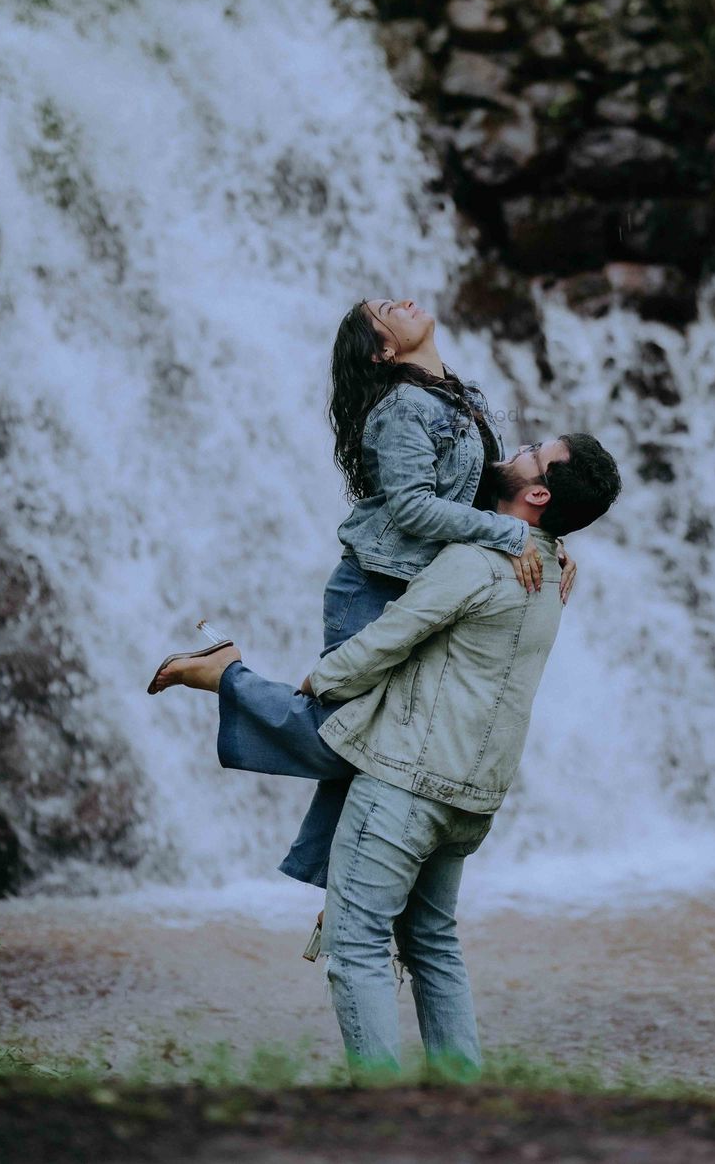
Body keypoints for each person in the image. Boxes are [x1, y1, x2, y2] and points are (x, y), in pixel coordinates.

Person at [148, 432, 621, 1080]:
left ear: (537, 492)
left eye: (533, 452)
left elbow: (393, 636)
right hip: (472, 799)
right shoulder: (549, 573)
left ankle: (383, 1114)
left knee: (356, 943)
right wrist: (557, 540)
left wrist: (323, 680)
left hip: (409, 785)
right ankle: (463, 1103)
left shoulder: (477, 560)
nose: (518, 448)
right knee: (431, 944)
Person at [149, 297, 576, 893]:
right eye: (384, 312)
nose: (400, 301)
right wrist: (511, 532)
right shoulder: (403, 406)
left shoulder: (465, 400)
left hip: (426, 594)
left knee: (377, 748)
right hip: (374, 585)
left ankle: (341, 884)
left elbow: (489, 494)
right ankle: (225, 675)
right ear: (384, 350)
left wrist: (546, 542)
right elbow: (412, 506)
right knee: (342, 739)